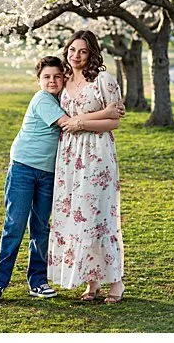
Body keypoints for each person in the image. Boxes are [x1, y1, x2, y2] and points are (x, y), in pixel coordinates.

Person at [0, 55, 122, 303]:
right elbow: (68, 123)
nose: (52, 81)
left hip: (50, 173)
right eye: (47, 77)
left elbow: (79, 109)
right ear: (38, 80)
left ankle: (37, 281)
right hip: (24, 169)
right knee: (14, 226)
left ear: (64, 77)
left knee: (41, 228)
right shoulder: (42, 99)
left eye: (57, 76)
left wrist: (110, 112)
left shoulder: (64, 98)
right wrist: (107, 112)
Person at [49, 30, 125, 303]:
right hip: (69, 155)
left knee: (98, 217)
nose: (76, 56)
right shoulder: (64, 80)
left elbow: (114, 121)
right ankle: (91, 283)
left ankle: (115, 282)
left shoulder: (103, 79)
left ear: (91, 52)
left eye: (82, 51)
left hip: (97, 154)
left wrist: (80, 122)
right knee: (76, 216)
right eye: (72, 50)